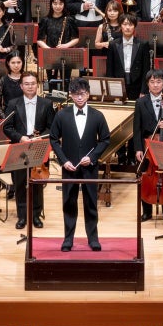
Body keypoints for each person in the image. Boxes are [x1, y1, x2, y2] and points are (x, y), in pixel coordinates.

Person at [52, 77, 110, 251]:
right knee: (68, 202)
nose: (79, 98)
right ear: (70, 95)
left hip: (89, 167)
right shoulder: (62, 115)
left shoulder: (97, 115)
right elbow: (54, 139)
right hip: (69, 167)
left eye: (82, 94)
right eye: (76, 94)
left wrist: (92, 158)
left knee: (91, 202)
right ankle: (68, 239)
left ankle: (93, 238)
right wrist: (64, 161)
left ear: (88, 95)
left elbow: (105, 140)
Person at [3, 71, 54, 230]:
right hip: (20, 146)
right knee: (19, 183)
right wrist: (20, 138)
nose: (30, 86)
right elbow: (7, 127)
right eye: (26, 83)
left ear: (37, 85)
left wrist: (41, 137)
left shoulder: (46, 104)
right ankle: (22, 216)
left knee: (37, 183)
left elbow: (51, 128)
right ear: (21, 86)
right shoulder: (13, 103)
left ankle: (36, 215)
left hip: (39, 145)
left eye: (33, 83)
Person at [133, 70, 163, 225]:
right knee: (145, 177)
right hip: (147, 145)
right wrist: (138, 149)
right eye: (152, 82)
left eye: (158, 82)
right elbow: (136, 128)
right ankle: (146, 211)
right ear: (148, 84)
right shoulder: (140, 102)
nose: (155, 85)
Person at [106, 15, 149, 100]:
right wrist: (111, 89)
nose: (127, 27)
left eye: (130, 24)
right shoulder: (113, 44)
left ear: (134, 26)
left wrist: (144, 91)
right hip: (118, 84)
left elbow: (146, 70)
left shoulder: (143, 44)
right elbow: (109, 69)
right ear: (120, 26)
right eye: (125, 24)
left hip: (137, 84)